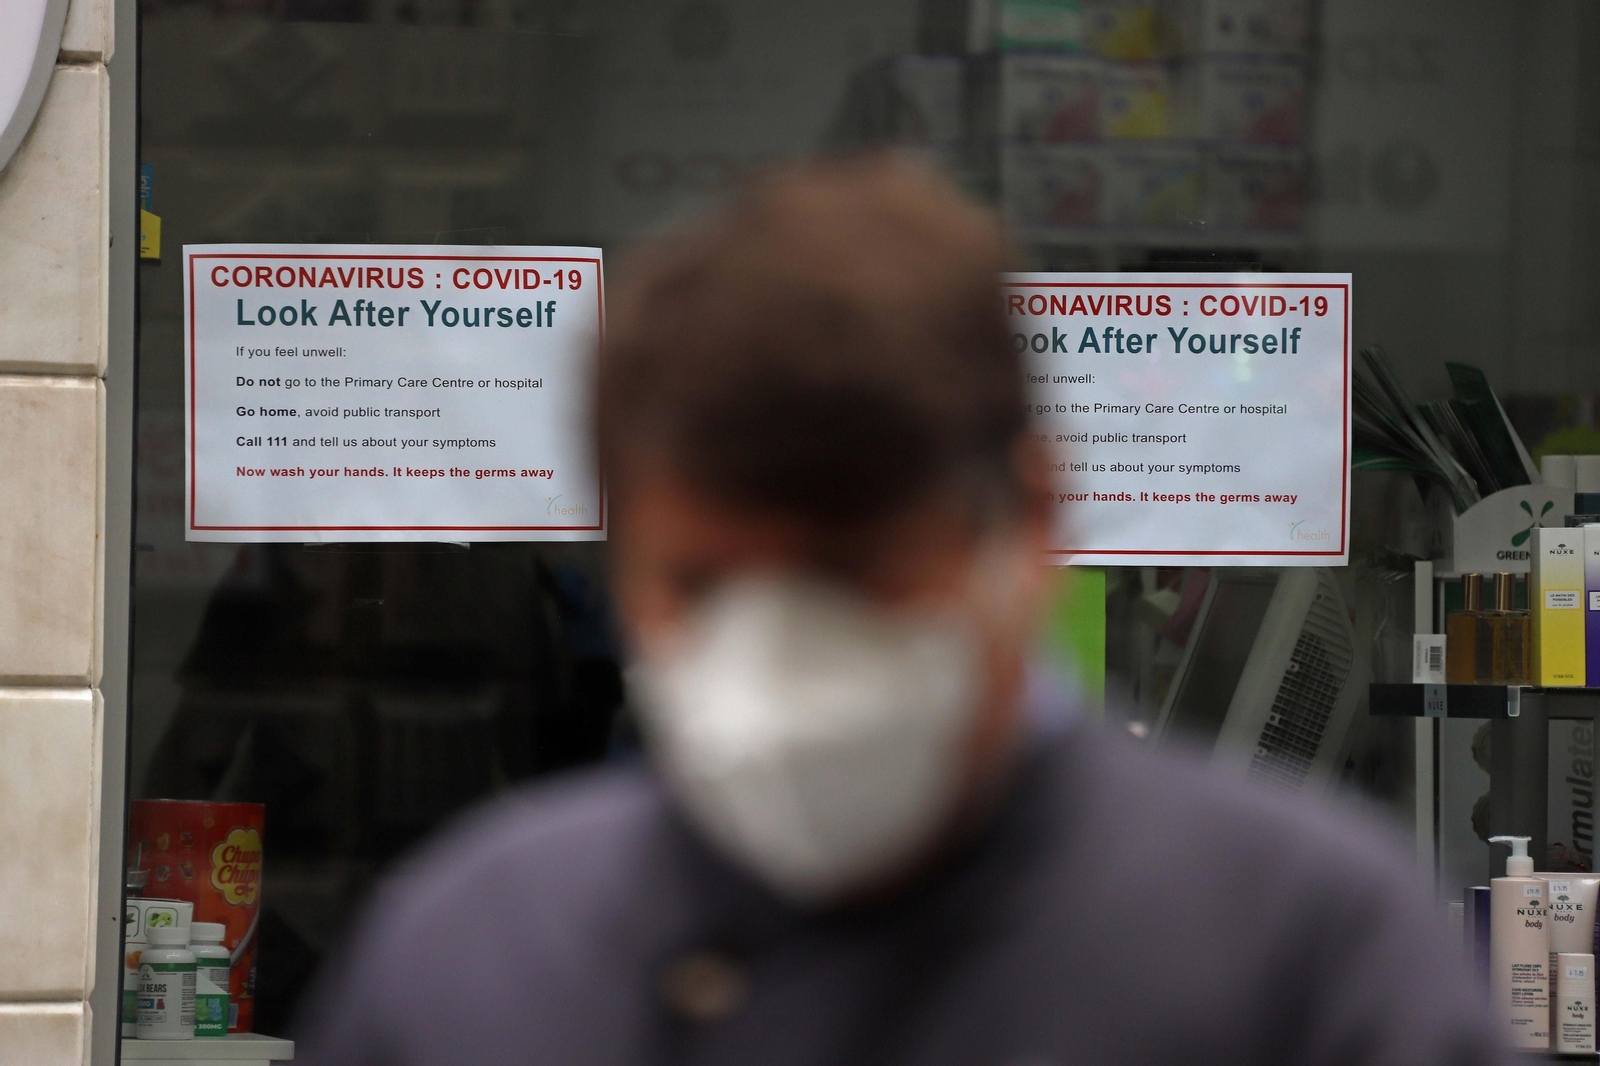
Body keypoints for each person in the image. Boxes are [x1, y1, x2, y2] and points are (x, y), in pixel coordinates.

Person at [295, 157, 1505, 1066]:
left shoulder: (1301, 956)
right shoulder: (477, 963)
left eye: (856, 570)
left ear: (1026, 525)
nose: (775, 648)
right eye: (702, 583)